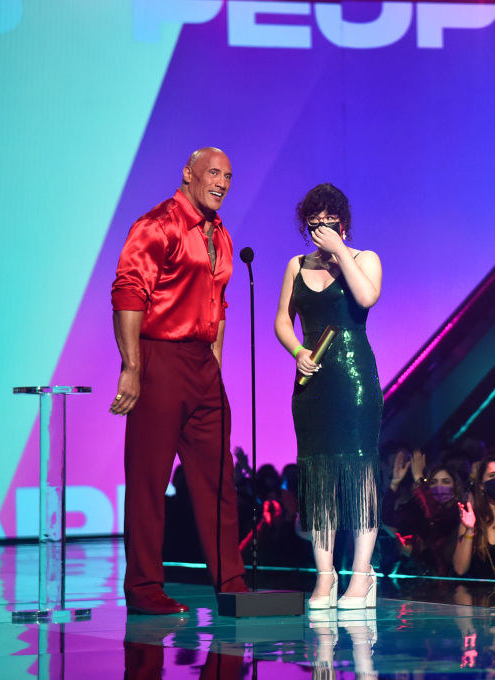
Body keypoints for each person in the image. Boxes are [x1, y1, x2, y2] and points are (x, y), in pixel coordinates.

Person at [110, 147, 247, 614]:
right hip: (161, 357)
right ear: (188, 173)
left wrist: (215, 369)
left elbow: (219, 306)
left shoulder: (221, 236)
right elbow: (129, 292)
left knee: (219, 481)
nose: (222, 182)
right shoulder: (158, 224)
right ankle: (145, 586)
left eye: (228, 176)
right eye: (214, 173)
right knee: (149, 479)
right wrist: (132, 367)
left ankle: (231, 582)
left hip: (202, 364)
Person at [274, 182, 383, 609]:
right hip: (312, 387)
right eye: (313, 223)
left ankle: (362, 574)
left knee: (359, 476)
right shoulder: (295, 266)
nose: (320, 230)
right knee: (318, 479)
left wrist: (340, 251)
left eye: (328, 222)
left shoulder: (364, 259)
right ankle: (325, 575)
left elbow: (366, 296)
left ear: (342, 222)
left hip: (355, 382)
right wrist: (298, 351)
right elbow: (283, 321)